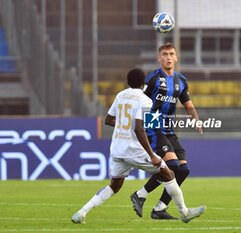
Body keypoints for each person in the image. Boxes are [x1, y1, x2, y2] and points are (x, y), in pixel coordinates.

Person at [71, 68, 206, 224]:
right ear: (144, 84)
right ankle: (184, 213)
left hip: (117, 149)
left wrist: (124, 125)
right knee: (169, 174)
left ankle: (81, 212)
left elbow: (108, 120)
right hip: (133, 149)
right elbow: (139, 128)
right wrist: (152, 155)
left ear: (128, 82)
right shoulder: (146, 100)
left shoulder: (120, 95)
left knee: (114, 186)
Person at [130, 42, 203, 220]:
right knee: (171, 166)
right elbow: (139, 100)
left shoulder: (181, 81)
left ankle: (159, 208)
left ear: (176, 58)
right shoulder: (153, 79)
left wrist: (196, 120)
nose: (168, 57)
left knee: (183, 170)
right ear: (159, 58)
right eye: (165, 54)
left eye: (171, 54)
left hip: (169, 129)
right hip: (153, 125)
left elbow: (188, 104)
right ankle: (140, 195)